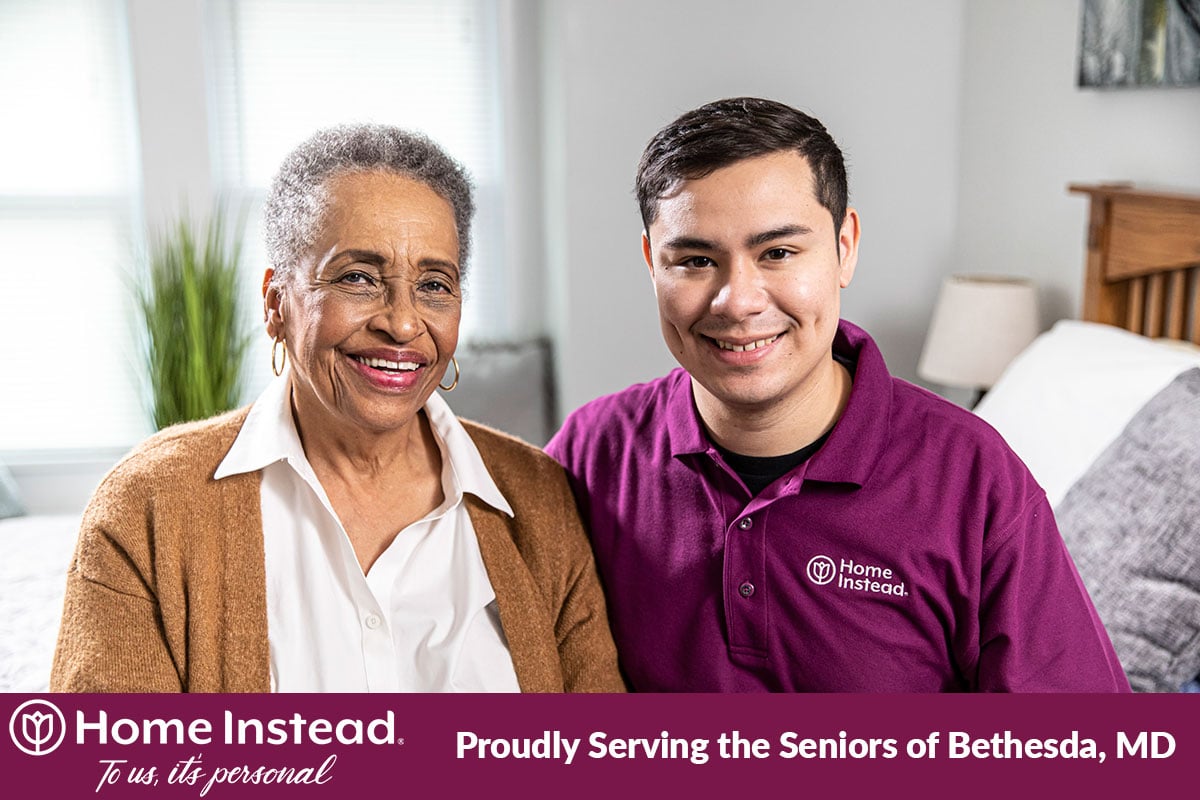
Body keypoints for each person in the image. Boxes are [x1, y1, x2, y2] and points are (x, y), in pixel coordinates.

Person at [546, 97, 1129, 693]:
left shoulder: (975, 481)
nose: (738, 301)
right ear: (651, 263)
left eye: (777, 253)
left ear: (844, 246)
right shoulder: (590, 454)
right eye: (696, 260)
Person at [52, 124, 623, 693]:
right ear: (277, 305)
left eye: (434, 285)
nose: (402, 323)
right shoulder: (149, 503)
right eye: (357, 278)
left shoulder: (539, 500)